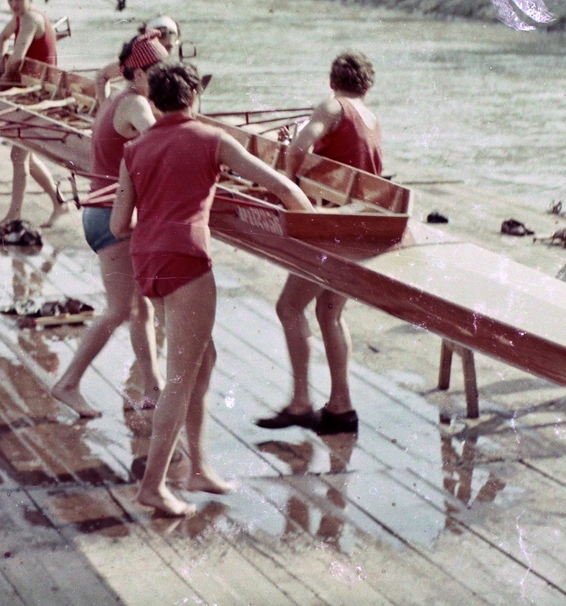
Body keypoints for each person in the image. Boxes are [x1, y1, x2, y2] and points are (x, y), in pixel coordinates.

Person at [111, 62, 315, 518]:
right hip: (186, 260)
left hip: (147, 261)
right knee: (180, 379)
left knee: (203, 359)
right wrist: (313, 226)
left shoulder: (135, 148)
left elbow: (118, 223)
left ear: (156, 102)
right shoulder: (212, 139)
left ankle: (199, 468)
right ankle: (153, 487)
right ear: (193, 99)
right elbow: (280, 186)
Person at [256, 51, 384, 436]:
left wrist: (289, 188)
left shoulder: (332, 106)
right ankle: (341, 408)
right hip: (363, 227)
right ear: (368, 85)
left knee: (289, 306)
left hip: (334, 226)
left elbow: (299, 148)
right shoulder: (371, 117)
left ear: (333, 82)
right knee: (329, 312)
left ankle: (301, 402)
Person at [48, 33, 169, 420]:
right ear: (136, 74)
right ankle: (67, 383)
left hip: (104, 211)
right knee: (119, 309)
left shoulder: (118, 97)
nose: (165, 78)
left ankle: (153, 388)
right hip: (111, 217)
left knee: (139, 310)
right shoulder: (134, 104)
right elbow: (163, 144)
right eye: (158, 72)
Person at [0, 0, 72, 228]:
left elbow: (16, 58)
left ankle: (13, 215)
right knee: (25, 154)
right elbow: (1, 39)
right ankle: (60, 203)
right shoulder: (20, 17)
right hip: (31, 88)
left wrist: (0, 78)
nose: (14, 3)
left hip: (42, 92)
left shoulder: (29, 19)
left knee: (19, 154)